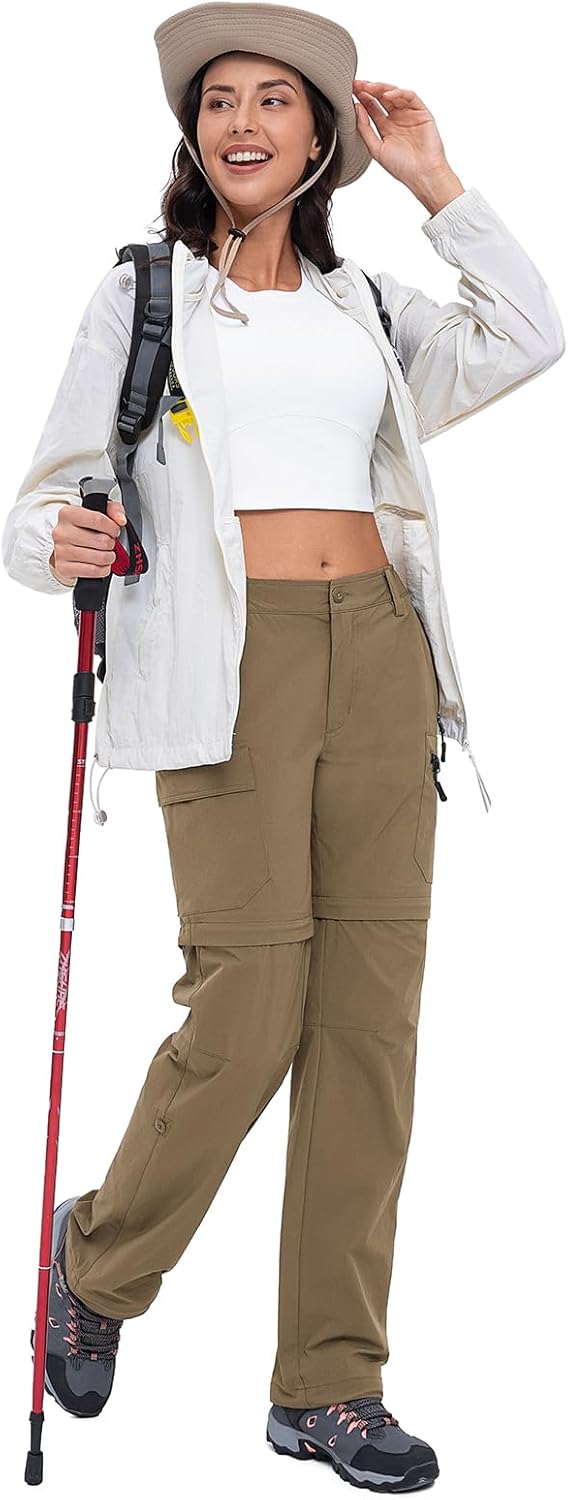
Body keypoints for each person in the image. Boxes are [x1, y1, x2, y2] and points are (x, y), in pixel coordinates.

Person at [4, 3, 564, 1491]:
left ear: (322, 136)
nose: (242, 122)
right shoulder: (145, 298)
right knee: (250, 1004)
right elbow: (40, 503)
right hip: (226, 669)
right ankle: (96, 1260)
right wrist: (60, 540)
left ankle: (330, 1386)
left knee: (369, 1029)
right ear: (193, 134)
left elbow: (529, 330)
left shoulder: (368, 306)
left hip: (381, 654)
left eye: (274, 100)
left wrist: (437, 179)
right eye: (219, 102)